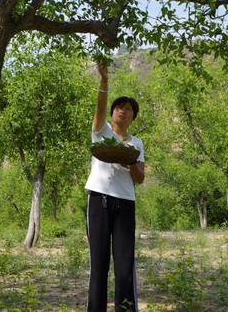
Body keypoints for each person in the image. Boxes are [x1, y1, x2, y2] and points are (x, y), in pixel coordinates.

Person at [85, 62, 145, 312]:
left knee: (124, 267)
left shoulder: (137, 143)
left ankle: (125, 309)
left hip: (125, 204)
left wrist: (130, 161)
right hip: (99, 201)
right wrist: (104, 81)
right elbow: (99, 108)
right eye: (119, 107)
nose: (123, 111)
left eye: (129, 109)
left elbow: (139, 178)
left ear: (133, 116)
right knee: (99, 266)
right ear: (112, 113)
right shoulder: (102, 132)